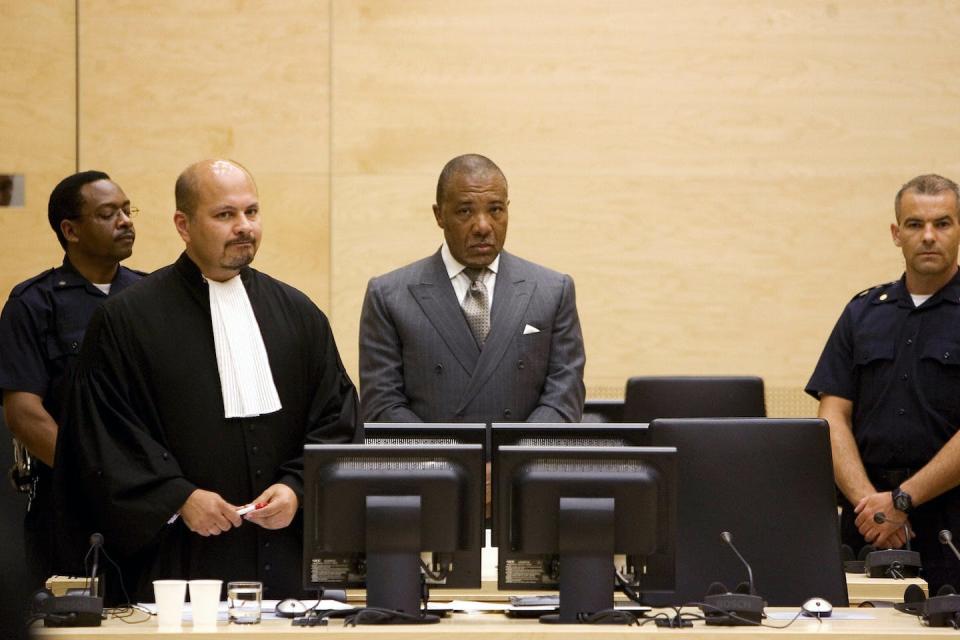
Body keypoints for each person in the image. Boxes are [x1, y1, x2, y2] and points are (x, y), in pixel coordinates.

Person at [53, 159, 359, 602]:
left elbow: (337, 419)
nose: (244, 227)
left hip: (288, 563)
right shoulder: (126, 321)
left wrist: (297, 487)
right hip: (175, 566)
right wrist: (178, 498)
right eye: (225, 215)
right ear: (183, 224)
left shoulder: (299, 314)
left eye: (251, 212)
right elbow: (103, 438)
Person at [807, 173, 960, 592]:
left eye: (942, 223)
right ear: (897, 233)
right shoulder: (862, 313)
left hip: (951, 522)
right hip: (866, 524)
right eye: (915, 224)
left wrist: (902, 500)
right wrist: (872, 508)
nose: (928, 236)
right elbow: (831, 417)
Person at [359, 154, 585, 425]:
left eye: (495, 210)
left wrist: (511, 460)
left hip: (519, 462)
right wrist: (455, 464)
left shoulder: (552, 291)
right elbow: (382, 404)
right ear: (439, 215)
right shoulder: (389, 296)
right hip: (434, 464)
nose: (482, 226)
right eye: (465, 211)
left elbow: (564, 395)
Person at [0, 170, 143, 590]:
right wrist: (96, 478)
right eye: (107, 213)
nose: (125, 221)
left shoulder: (153, 297)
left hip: (152, 503)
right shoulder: (33, 303)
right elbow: (24, 414)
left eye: (126, 209)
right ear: (71, 230)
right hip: (70, 504)